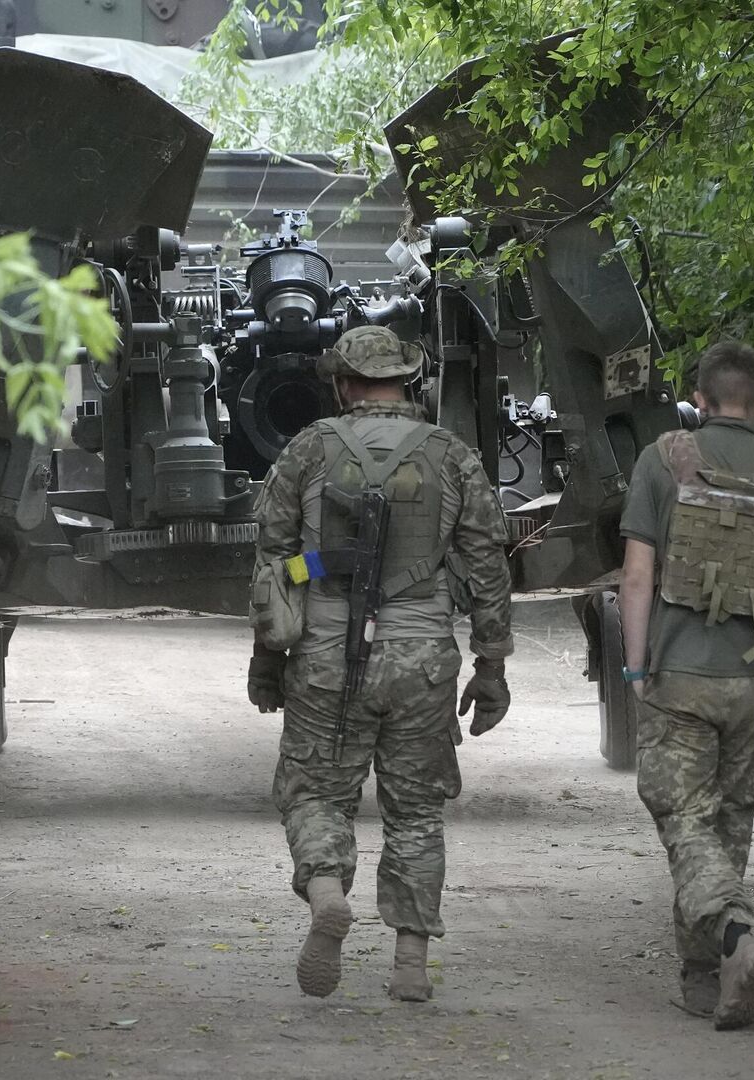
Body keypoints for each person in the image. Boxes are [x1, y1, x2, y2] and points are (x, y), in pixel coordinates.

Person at [246, 326, 514, 1003]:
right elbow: (487, 566)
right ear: (408, 380)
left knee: (312, 793)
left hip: (328, 658)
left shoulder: (308, 450)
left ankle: (329, 891)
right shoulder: (453, 456)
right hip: (424, 660)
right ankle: (410, 965)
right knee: (418, 812)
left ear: (341, 383)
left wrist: (268, 656)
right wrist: (492, 664)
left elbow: (273, 564)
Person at [616, 341, 754, 1031]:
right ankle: (703, 978)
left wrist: (637, 665)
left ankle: (734, 934)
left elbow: (638, 576)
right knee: (729, 822)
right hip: (749, 679)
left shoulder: (663, 459)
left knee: (684, 821)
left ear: (698, 398)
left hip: (678, 673)